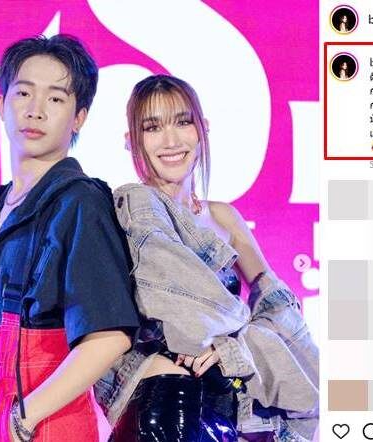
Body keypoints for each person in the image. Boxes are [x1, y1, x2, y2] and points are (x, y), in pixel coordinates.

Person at [96, 75, 319, 441]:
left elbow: (280, 310)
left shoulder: (224, 218)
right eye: (152, 127)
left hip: (233, 409)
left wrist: (234, 348)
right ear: (130, 141)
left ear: (203, 130)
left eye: (182, 122)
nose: (171, 141)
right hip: (165, 403)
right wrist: (214, 338)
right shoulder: (129, 212)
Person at [0, 34, 140, 442]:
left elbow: (109, 335)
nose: (36, 110)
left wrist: (22, 420)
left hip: (47, 426)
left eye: (56, 99)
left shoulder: (80, 201)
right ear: (1, 105)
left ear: (79, 118)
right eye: (23, 93)